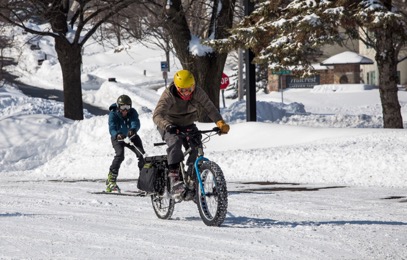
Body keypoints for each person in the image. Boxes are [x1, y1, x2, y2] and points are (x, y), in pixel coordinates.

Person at [153, 69, 230, 195]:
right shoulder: (169, 94)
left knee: (196, 144)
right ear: (177, 88)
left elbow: (209, 107)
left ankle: (192, 176)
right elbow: (157, 115)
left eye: (190, 88)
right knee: (175, 142)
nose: (187, 92)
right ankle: (174, 178)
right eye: (183, 90)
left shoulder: (197, 92)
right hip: (168, 124)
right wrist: (167, 126)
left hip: (187, 123)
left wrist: (220, 122)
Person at [106, 94, 145, 193]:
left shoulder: (133, 112)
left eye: (127, 107)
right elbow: (112, 127)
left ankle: (144, 181)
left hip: (131, 136)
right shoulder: (113, 114)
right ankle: (111, 181)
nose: (125, 110)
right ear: (118, 107)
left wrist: (133, 129)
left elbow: (135, 122)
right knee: (120, 155)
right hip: (118, 137)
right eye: (123, 107)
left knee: (142, 155)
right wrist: (117, 134)